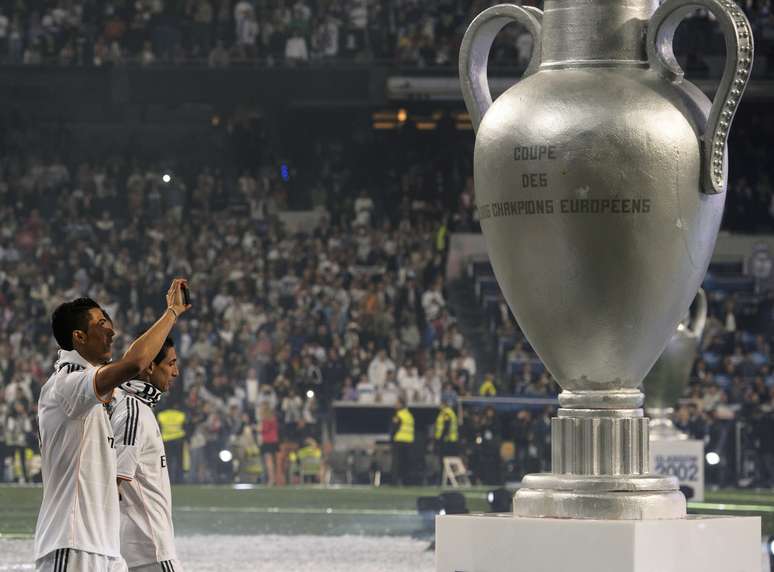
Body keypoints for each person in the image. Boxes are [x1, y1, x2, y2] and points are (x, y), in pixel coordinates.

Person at [33, 279, 190, 572]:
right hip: (72, 545)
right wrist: (171, 313)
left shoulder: (91, 393)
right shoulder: (67, 384)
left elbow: (130, 369)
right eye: (102, 324)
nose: (112, 331)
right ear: (79, 336)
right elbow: (135, 363)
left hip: (105, 549)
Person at [111, 337, 184, 572]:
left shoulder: (135, 407)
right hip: (150, 548)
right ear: (150, 366)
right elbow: (116, 482)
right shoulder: (133, 411)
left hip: (139, 548)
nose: (176, 372)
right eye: (171, 363)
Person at [157, 401, 186, 484]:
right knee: (179, 461)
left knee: (167, 461)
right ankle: (179, 480)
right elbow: (185, 427)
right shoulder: (181, 415)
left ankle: (167, 479)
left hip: (166, 440)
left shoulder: (161, 415)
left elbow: (158, 428)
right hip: (178, 440)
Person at [390, 396, 414, 485]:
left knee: (396, 462)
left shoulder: (398, 414)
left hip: (399, 440)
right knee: (406, 462)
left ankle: (394, 481)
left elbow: (394, 428)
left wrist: (392, 439)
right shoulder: (409, 415)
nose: (395, 404)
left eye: (397, 403)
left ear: (401, 404)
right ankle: (406, 481)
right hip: (409, 441)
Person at [434, 397, 459, 477]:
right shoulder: (448, 412)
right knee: (449, 461)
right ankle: (449, 478)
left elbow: (446, 426)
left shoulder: (446, 412)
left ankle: (446, 478)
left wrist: (442, 438)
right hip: (450, 440)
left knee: (445, 461)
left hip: (447, 441)